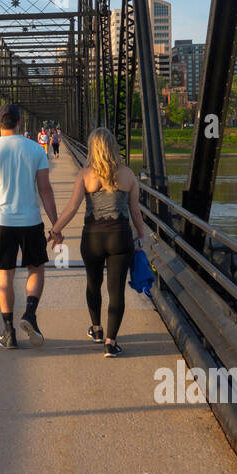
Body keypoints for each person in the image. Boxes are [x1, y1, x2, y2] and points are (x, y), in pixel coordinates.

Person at [48, 127, 147, 357]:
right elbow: (135, 211)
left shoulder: (85, 175)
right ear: (113, 147)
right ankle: (111, 343)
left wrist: (54, 230)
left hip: (92, 236)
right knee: (116, 290)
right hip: (120, 237)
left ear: (93, 148)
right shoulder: (128, 175)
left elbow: (72, 208)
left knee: (93, 284)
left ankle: (96, 329)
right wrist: (140, 235)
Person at [0, 104, 58, 350]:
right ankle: (30, 315)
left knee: (5, 276)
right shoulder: (35, 150)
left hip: (2, 222)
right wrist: (57, 224)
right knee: (36, 269)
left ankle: (8, 333)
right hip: (31, 221)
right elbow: (45, 190)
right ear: (20, 122)